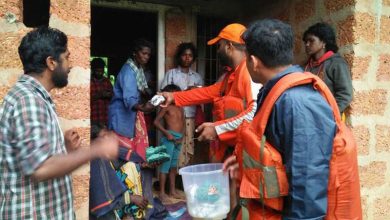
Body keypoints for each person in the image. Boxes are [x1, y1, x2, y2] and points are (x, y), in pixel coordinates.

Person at [223, 19, 361, 219]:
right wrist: (249, 166)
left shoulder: (298, 103)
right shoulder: (275, 91)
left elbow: (308, 190)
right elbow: (279, 154)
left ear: (253, 62)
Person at [0, 26, 119, 219]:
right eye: (67, 57)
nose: (70, 65)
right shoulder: (28, 101)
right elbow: (41, 168)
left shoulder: (34, 98)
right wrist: (96, 150)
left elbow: (32, 157)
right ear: (51, 62)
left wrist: (64, 148)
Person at [160, 23, 261, 163]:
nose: (218, 50)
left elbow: (254, 112)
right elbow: (206, 93)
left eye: (219, 46)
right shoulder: (232, 75)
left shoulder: (248, 72)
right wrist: (173, 96)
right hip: (236, 147)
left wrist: (217, 129)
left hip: (246, 150)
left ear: (229, 47)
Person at [108, 38, 155, 161]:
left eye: (148, 54)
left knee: (128, 152)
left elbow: (143, 90)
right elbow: (130, 99)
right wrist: (143, 107)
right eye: (143, 53)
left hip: (128, 117)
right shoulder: (129, 71)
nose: (146, 57)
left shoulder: (138, 70)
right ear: (135, 53)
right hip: (122, 117)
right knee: (122, 152)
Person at [160, 42, 203, 167]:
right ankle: (174, 176)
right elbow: (163, 95)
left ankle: (183, 176)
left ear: (193, 58)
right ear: (179, 56)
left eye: (190, 55)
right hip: (174, 118)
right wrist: (185, 92)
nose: (187, 58)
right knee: (173, 147)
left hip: (190, 116)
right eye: (184, 55)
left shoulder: (197, 77)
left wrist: (195, 92)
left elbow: (202, 97)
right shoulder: (171, 74)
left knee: (188, 146)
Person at [303, 22, 353, 114]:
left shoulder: (336, 63)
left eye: (311, 41)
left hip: (327, 119)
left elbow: (345, 95)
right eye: (306, 41)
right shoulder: (306, 65)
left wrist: (328, 114)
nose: (307, 44)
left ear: (323, 42)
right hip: (308, 116)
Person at [153, 84, 185, 203]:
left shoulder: (180, 107)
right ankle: (162, 192)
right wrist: (167, 133)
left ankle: (172, 191)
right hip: (169, 138)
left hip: (178, 139)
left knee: (173, 167)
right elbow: (156, 122)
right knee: (165, 166)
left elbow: (183, 122)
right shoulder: (166, 108)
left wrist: (182, 136)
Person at [90, 57, 113, 125]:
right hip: (93, 118)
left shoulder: (107, 81)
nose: (100, 73)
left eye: (101, 71)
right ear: (93, 70)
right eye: (97, 71)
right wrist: (100, 95)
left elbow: (113, 96)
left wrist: (109, 95)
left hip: (106, 118)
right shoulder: (88, 82)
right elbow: (86, 100)